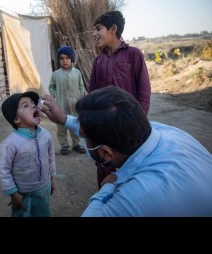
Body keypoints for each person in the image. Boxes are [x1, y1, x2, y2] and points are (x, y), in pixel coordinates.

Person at [41, 86, 212, 216]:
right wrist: (64, 119)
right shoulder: (167, 132)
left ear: (106, 154)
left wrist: (107, 187)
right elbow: (103, 128)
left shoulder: (137, 196)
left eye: (84, 137)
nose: (82, 137)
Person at [88, 10, 151, 189]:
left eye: (98, 29)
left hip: (128, 126)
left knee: (130, 168)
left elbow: (144, 92)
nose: (94, 34)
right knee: (104, 165)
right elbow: (92, 94)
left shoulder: (133, 54)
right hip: (104, 126)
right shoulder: (98, 61)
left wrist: (138, 122)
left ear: (113, 29)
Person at [0, 91, 56, 217]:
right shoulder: (10, 143)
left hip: (44, 187)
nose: (33, 106)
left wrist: (51, 178)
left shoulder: (45, 135)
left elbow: (51, 157)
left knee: (43, 212)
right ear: (16, 119)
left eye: (33, 104)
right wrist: (13, 193)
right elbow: (4, 170)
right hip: (23, 193)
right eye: (25, 105)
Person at [49, 46, 86, 155]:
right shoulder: (56, 74)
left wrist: (80, 96)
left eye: (67, 58)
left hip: (75, 105)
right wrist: (56, 95)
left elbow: (81, 86)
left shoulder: (77, 73)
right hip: (61, 106)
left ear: (71, 59)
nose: (65, 61)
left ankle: (76, 144)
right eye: (61, 58)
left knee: (75, 124)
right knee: (61, 126)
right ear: (59, 60)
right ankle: (64, 145)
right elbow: (51, 87)